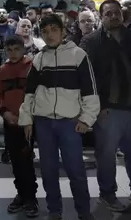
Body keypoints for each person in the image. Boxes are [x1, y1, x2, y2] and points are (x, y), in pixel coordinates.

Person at [80, 0, 131, 212]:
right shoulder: (90, 42)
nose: (113, 16)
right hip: (108, 108)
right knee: (106, 154)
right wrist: (96, 106)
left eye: (116, 12)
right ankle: (107, 193)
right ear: (101, 16)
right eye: (108, 13)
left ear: (122, 14)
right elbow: (85, 78)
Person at [19, 14, 100, 220]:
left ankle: (83, 211)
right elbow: (29, 92)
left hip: (69, 123)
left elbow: (90, 90)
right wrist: (27, 118)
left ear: (63, 31)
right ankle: (54, 210)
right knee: (48, 170)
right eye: (45, 31)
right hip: (44, 122)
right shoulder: (39, 58)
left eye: (54, 29)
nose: (49, 34)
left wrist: (86, 119)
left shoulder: (78, 55)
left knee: (76, 170)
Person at [0, 36, 39, 217]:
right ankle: (21, 193)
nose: (13, 53)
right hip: (10, 120)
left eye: (17, 49)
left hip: (28, 121)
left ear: (23, 49)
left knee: (26, 159)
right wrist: (4, 112)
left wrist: (29, 116)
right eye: (9, 50)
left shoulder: (31, 67)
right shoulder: (3, 70)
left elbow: (36, 93)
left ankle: (30, 197)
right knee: (15, 159)